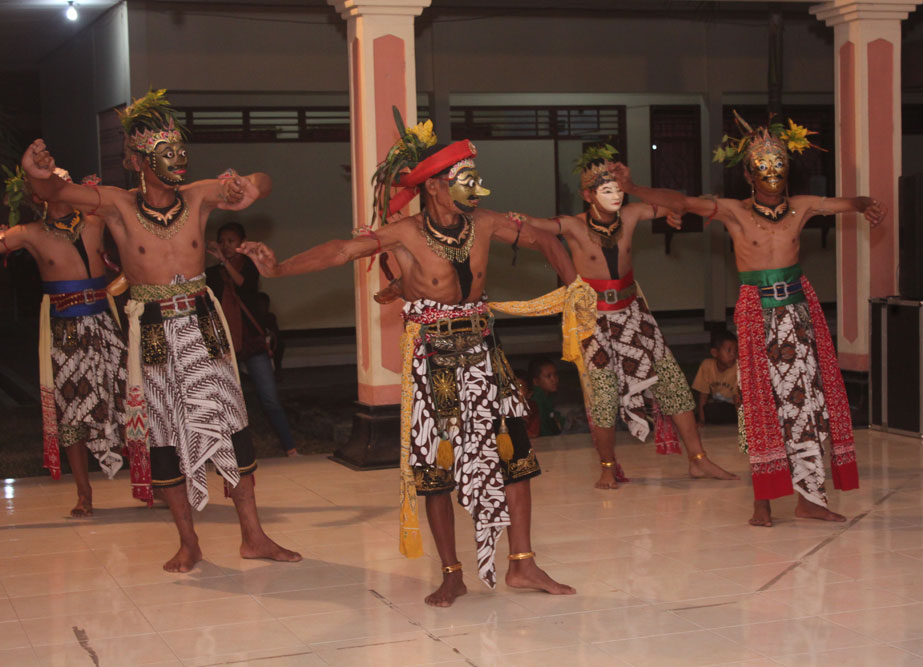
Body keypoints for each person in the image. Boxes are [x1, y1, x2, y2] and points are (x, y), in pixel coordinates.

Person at [239, 113, 576, 606]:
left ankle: (523, 565)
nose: (477, 188)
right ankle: (452, 571)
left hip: (484, 352)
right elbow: (341, 251)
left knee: (516, 460)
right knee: (437, 471)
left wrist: (577, 297)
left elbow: (546, 238)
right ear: (436, 187)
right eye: (466, 180)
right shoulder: (406, 233)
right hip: (435, 361)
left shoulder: (485, 222)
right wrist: (281, 267)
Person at [21, 89, 301, 571]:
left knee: (231, 425)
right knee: (166, 435)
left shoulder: (198, 196)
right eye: (166, 154)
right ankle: (189, 541)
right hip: (151, 333)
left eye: (181, 152)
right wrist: (36, 173)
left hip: (202, 323)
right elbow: (54, 194)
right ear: (140, 162)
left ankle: (253, 536)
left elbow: (259, 179)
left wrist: (255, 185)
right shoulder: (115, 205)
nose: (179, 161)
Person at [613, 111, 885, 526]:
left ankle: (809, 497)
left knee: (804, 404)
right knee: (763, 404)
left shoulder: (803, 207)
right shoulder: (734, 212)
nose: (771, 170)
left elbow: (844, 204)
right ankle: (763, 499)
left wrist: (865, 204)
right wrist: (631, 187)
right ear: (748, 173)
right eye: (762, 164)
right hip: (758, 314)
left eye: (779, 162)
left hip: (796, 311)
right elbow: (682, 202)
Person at [520, 145, 738, 489]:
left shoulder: (632, 214)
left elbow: (675, 202)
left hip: (635, 315)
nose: (615, 195)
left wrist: (640, 189)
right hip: (596, 322)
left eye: (618, 188)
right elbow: (539, 225)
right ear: (587, 194)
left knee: (674, 385)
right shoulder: (575, 227)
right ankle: (607, 465)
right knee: (604, 397)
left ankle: (698, 460)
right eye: (606, 189)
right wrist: (511, 220)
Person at [1, 167, 132, 516]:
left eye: (60, 181)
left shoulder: (95, 220)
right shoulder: (29, 233)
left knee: (127, 400)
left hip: (104, 322)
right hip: (65, 331)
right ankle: (84, 492)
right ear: (33, 196)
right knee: (71, 413)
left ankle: (151, 482)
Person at [207, 222, 298, 456]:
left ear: (241, 243)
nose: (226, 246)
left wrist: (225, 263)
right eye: (223, 241)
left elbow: (244, 285)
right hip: (225, 343)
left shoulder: (249, 266)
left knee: (269, 398)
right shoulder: (213, 274)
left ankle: (290, 448)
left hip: (252, 341)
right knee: (226, 401)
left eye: (231, 241)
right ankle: (231, 452)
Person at [693, 328, 739, 425]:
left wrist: (741, 422)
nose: (733, 355)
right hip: (714, 406)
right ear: (715, 353)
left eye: (735, 351)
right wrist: (702, 420)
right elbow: (703, 395)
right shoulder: (707, 365)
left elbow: (737, 398)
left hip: (731, 408)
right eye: (729, 351)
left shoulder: (738, 368)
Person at [527, 357, 563, 437]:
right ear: (536, 381)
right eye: (548, 376)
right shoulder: (536, 400)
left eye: (555, 374)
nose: (554, 379)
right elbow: (543, 430)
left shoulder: (547, 396)